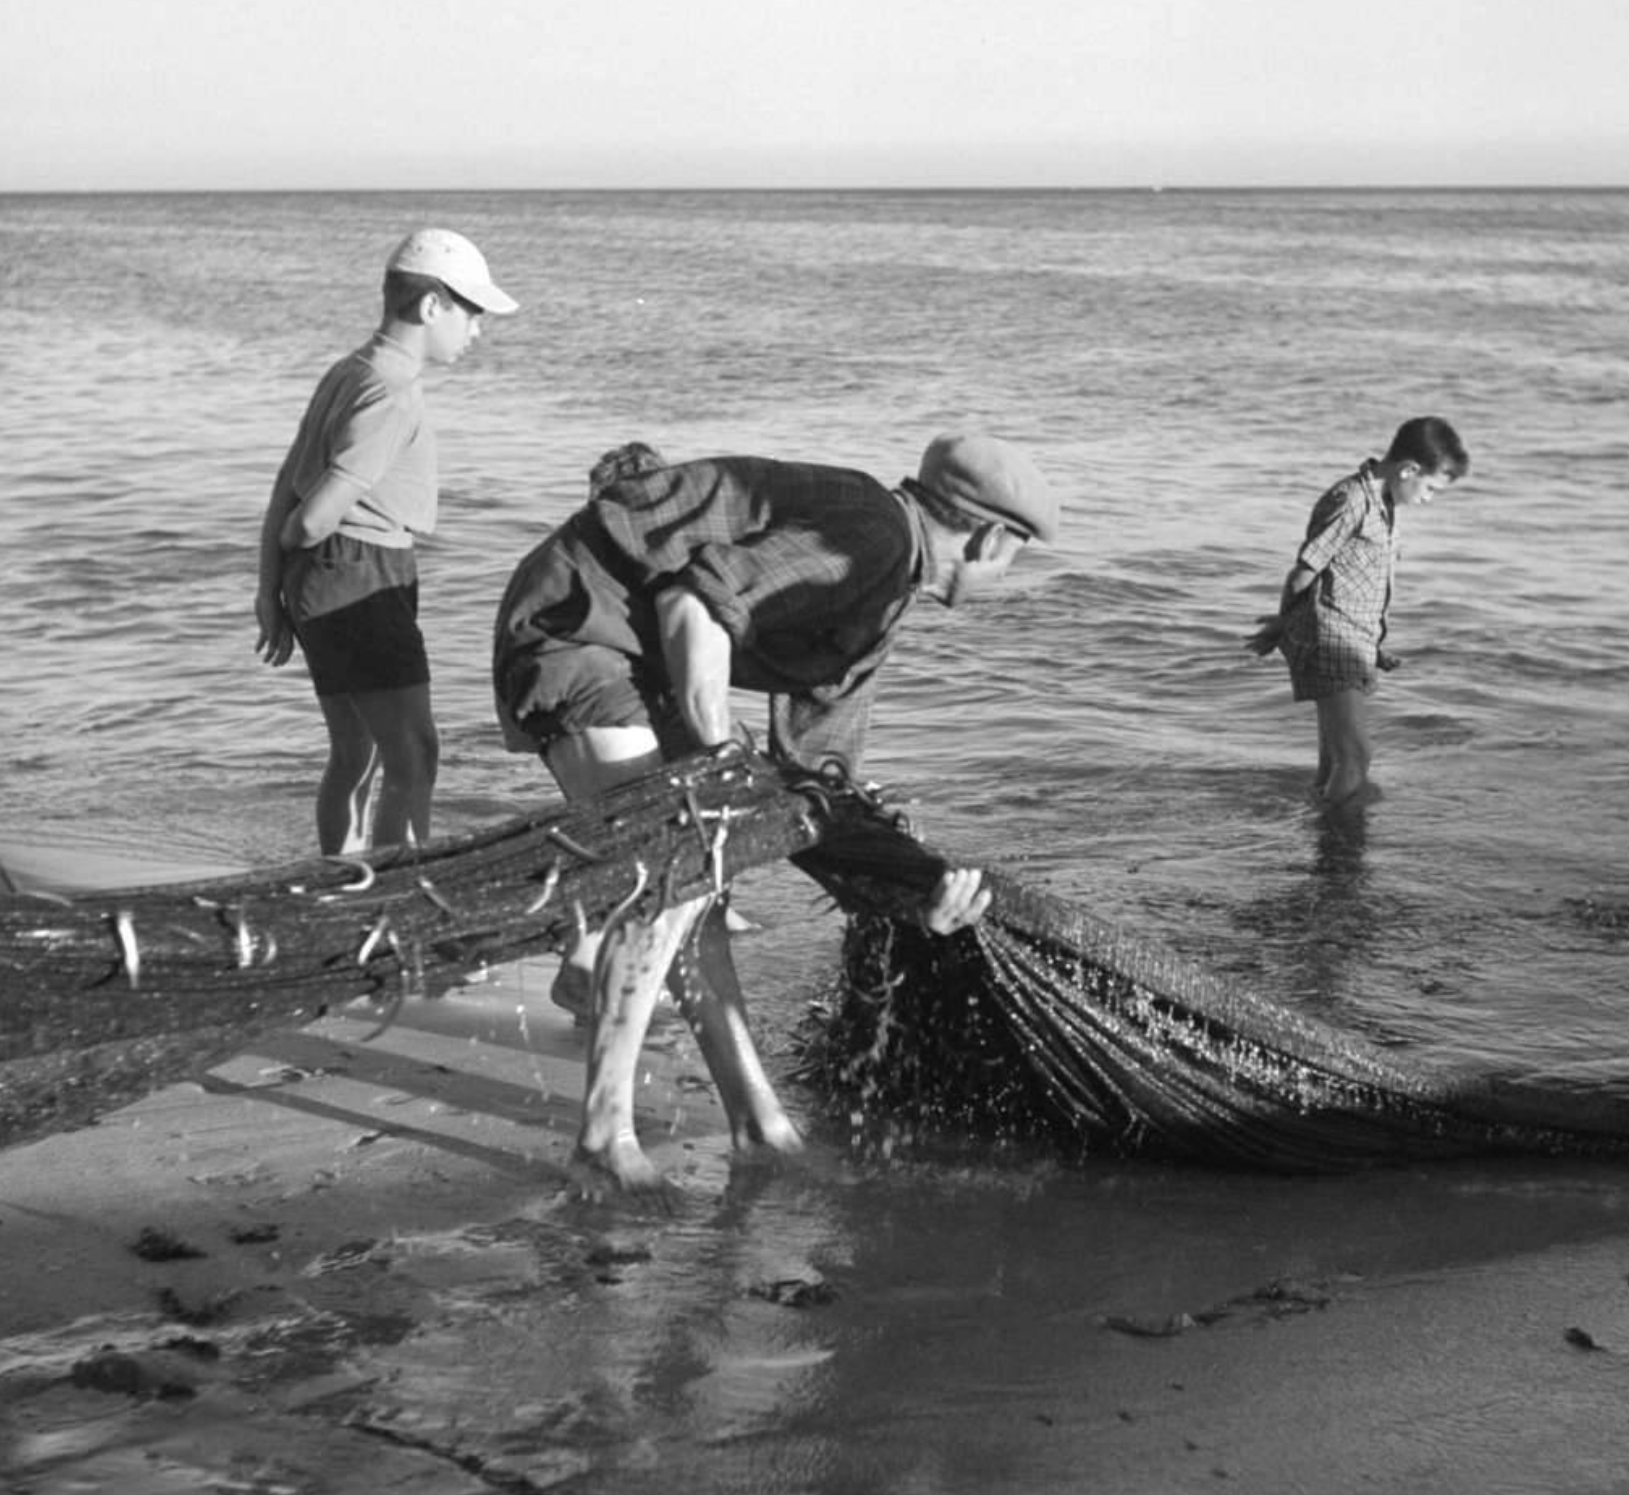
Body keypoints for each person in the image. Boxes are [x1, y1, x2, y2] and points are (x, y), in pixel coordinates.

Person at [493, 432, 1061, 1198]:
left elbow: (817, 785)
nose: (1010, 578)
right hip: (576, 630)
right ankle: (601, 1139)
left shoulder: (883, 588)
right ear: (993, 537)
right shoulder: (873, 538)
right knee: (670, 877)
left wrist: (917, 888)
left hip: (631, 650)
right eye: (1018, 558)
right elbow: (693, 603)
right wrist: (717, 767)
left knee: (701, 892)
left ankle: (758, 1125)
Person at [254, 229, 518, 855]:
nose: (476, 330)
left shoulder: (349, 371)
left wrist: (272, 586)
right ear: (432, 308)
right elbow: (312, 514)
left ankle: (343, 884)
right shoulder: (393, 392)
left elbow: (283, 486)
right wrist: (301, 541)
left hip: (326, 577)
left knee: (355, 751)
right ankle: (399, 892)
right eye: (471, 313)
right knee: (415, 753)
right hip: (361, 573)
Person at [1245, 416, 1468, 806]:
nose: (1428, 499)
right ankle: (1338, 844)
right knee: (1355, 757)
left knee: (1335, 760)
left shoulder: (1383, 505)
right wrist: (1285, 624)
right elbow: (1303, 572)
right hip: (1331, 640)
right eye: (1431, 488)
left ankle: (1322, 837)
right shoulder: (1350, 501)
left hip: (1350, 640)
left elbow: (1353, 583)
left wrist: (1374, 649)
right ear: (1409, 469)